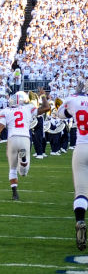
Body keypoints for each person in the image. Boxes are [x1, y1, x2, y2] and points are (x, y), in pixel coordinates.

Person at [0, 92, 46, 200]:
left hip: (12, 139)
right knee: (23, 172)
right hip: (25, 138)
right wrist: (43, 96)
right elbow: (46, 108)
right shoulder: (28, 108)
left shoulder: (6, 111)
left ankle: (14, 194)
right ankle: (23, 161)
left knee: (12, 169)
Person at [56, 89, 88, 250]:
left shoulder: (74, 100)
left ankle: (80, 220)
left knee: (81, 192)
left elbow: (60, 114)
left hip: (81, 147)